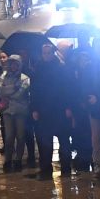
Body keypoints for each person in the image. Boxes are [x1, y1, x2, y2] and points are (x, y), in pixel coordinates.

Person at [30, 42, 72, 178]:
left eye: (49, 53)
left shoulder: (61, 68)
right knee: (45, 143)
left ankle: (66, 168)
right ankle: (46, 168)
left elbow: (66, 89)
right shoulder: (38, 69)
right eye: (44, 53)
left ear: (53, 53)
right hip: (44, 110)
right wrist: (35, 109)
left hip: (59, 109)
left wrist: (68, 107)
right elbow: (34, 90)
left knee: (64, 142)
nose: (46, 55)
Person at [0, 54, 33, 172]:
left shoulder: (25, 78)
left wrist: (8, 90)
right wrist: (12, 88)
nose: (13, 66)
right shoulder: (3, 76)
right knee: (9, 137)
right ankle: (8, 159)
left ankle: (18, 159)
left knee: (20, 136)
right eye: (11, 63)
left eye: (16, 64)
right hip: (7, 111)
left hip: (20, 111)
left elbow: (21, 92)